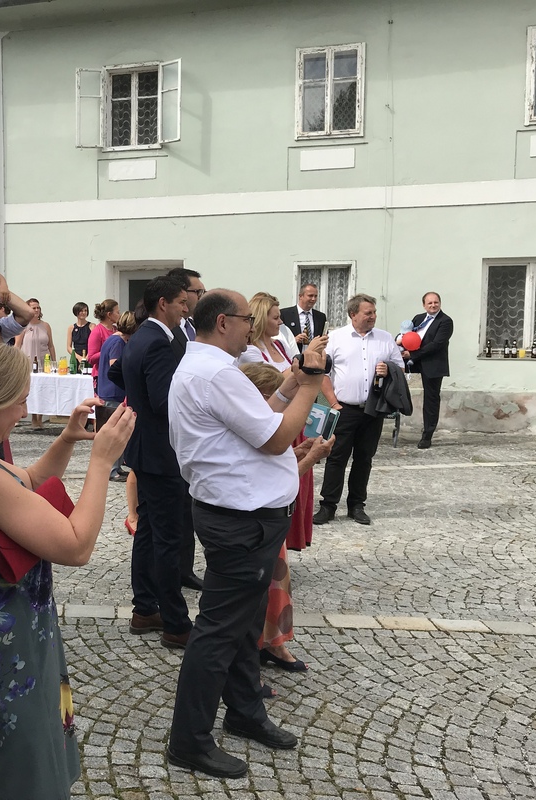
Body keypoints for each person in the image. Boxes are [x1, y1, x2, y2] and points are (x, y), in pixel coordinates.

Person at [0, 338, 134, 800]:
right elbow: (76, 545)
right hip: (4, 653)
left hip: (14, 639)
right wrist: (101, 461)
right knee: (20, 771)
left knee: (22, 756)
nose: (27, 405)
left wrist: (67, 439)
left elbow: (27, 481)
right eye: (20, 396)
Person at [165, 290, 327, 779]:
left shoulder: (209, 368)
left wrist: (292, 382)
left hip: (240, 515)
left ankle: (244, 711)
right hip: (241, 520)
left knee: (239, 627)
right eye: (245, 319)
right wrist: (311, 387)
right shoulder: (214, 372)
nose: (252, 327)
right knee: (217, 633)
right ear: (221, 323)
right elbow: (278, 436)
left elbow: (259, 417)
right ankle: (189, 739)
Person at [239, 362, 332, 672]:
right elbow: (271, 481)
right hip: (257, 522)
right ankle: (256, 653)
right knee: (260, 594)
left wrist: (299, 453)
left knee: (278, 584)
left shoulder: (257, 425)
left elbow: (272, 468)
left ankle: (273, 644)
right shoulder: (254, 430)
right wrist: (311, 459)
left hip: (265, 522)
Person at [119, 275, 194, 648]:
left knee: (149, 533)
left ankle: (144, 608)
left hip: (149, 449)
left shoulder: (149, 337)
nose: (186, 307)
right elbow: (166, 403)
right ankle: (176, 625)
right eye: (182, 301)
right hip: (162, 453)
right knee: (167, 538)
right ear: (163, 303)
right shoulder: (157, 343)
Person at [239, 292, 320, 553]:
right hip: (273, 415)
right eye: (276, 317)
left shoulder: (280, 345)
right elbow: (278, 378)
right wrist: (309, 357)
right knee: (280, 476)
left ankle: (287, 545)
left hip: (291, 412)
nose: (281, 322)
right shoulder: (251, 351)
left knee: (297, 482)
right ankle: (275, 548)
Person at [315, 293, 405, 526]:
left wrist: (390, 370)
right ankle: (328, 506)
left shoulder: (385, 338)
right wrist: (333, 403)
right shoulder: (335, 338)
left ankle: (356, 505)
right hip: (344, 408)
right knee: (336, 458)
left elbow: (401, 367)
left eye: (374, 312)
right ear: (353, 314)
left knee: (364, 458)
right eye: (368, 313)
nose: (373, 316)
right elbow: (322, 374)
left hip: (373, 409)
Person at [402, 292, 453, 449]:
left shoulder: (445, 321)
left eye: (436, 302)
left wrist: (413, 354)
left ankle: (427, 434)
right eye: (429, 303)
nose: (433, 305)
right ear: (424, 305)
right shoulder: (418, 318)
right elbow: (407, 334)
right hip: (413, 360)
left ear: (440, 303)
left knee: (431, 399)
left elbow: (436, 344)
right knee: (391, 378)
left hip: (432, 363)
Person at [98, 310, 137, 481]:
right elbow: (115, 366)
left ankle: (117, 467)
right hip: (114, 392)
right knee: (116, 431)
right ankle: (112, 470)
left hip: (111, 391)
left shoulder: (113, 339)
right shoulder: (118, 343)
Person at [17, 297, 58, 429]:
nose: (36, 310)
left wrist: (54, 362)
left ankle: (40, 418)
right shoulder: (23, 326)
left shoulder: (45, 325)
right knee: (30, 389)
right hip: (27, 362)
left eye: (38, 307)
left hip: (43, 362)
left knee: (42, 389)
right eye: (33, 308)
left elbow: (51, 345)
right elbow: (17, 344)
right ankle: (31, 417)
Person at [281, 282, 327, 352]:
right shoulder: (285, 314)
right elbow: (278, 339)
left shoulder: (321, 317)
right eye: (310, 296)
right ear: (300, 296)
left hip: (313, 358)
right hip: (294, 357)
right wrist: (294, 340)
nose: (313, 299)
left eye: (315, 296)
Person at [167, 267, 205, 350]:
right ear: (181, 292)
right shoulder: (167, 327)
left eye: (203, 292)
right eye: (198, 292)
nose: (201, 297)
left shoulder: (196, 326)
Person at [86, 299, 119, 371]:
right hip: (102, 373)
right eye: (117, 312)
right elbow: (91, 358)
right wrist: (108, 351)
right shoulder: (97, 331)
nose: (119, 315)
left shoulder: (116, 329)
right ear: (109, 314)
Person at [66, 301, 92, 367]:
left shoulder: (92, 326)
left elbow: (94, 345)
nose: (84, 313)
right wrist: (79, 358)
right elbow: (69, 347)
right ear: (76, 312)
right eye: (81, 311)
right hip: (76, 358)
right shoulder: (71, 328)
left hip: (89, 357)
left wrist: (86, 358)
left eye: (85, 310)